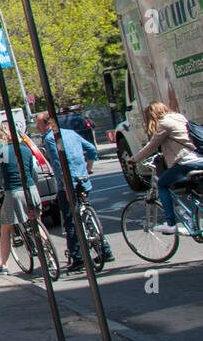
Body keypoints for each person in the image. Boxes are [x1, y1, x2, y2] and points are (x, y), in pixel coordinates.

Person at [35, 110, 112, 270]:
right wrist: (88, 168)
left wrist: (64, 180)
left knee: (70, 221)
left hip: (68, 184)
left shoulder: (50, 138)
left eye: (39, 124)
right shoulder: (70, 133)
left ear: (47, 124)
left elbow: (58, 160)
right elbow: (91, 149)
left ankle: (77, 258)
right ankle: (105, 248)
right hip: (83, 179)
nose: (37, 127)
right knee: (87, 215)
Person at [128, 101, 203, 236]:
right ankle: (194, 221)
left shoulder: (164, 124)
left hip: (186, 161)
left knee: (162, 184)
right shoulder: (179, 117)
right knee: (191, 190)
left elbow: (152, 146)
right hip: (199, 158)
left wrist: (134, 160)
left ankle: (170, 223)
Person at [0, 122, 39, 274]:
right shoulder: (25, 149)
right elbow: (30, 171)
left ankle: (4, 266)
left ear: (2, 135)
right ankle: (49, 255)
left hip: (14, 192)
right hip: (31, 190)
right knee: (37, 221)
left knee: (5, 229)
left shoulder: (1, 151)